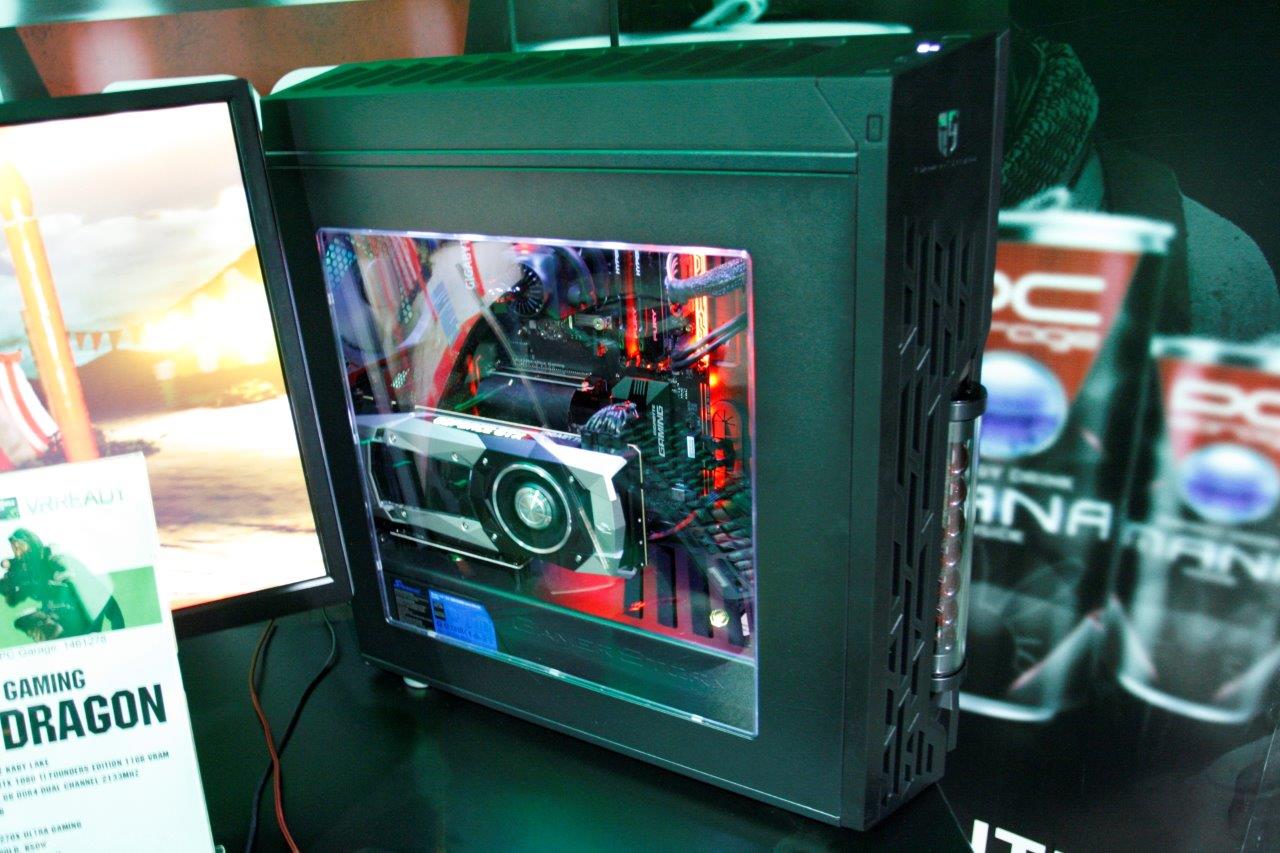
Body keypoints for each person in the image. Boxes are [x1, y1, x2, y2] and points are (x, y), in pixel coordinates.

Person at [0, 527, 124, 642]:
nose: (18, 553)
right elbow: (13, 600)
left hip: (81, 612)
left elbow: (100, 596)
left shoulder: (53, 560)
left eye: (20, 547)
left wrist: (119, 633)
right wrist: (7, 587)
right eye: (14, 549)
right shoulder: (28, 573)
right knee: (26, 619)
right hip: (62, 614)